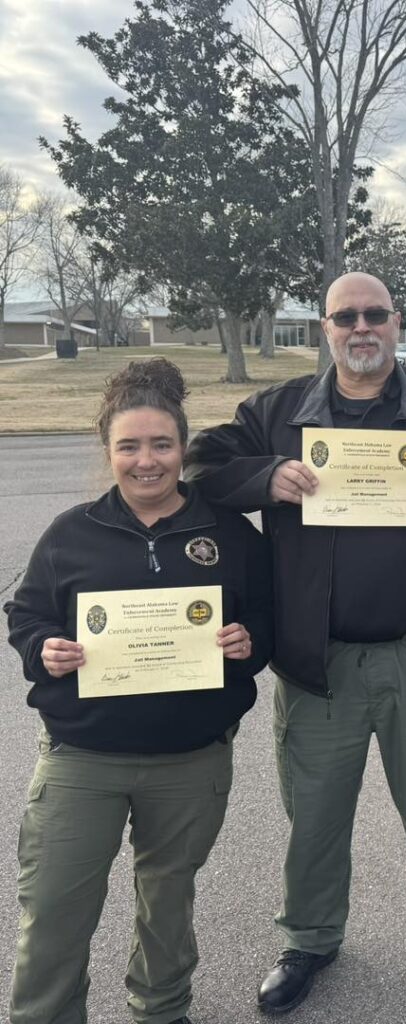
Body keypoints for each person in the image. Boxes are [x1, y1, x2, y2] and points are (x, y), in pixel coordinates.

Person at [183, 271, 406, 1014]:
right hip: (319, 658)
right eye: (345, 316)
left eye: (374, 315)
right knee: (315, 812)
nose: (361, 328)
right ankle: (310, 938)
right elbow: (201, 462)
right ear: (324, 328)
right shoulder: (279, 412)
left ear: (396, 323)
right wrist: (267, 475)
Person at [4, 358, 273, 1024]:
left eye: (161, 444)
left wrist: (247, 644)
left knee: (167, 900)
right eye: (129, 446)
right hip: (81, 760)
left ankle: (161, 1009)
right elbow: (29, 614)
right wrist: (47, 649)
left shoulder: (230, 535)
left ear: (183, 449)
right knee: (56, 908)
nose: (146, 461)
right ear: (109, 451)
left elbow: (267, 619)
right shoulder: (72, 534)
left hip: (190, 760)